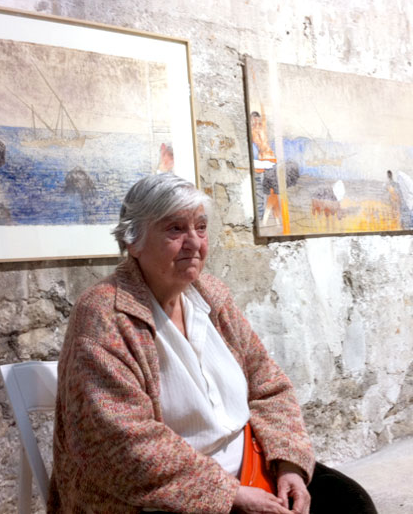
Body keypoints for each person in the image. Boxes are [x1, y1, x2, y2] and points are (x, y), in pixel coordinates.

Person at [48, 173, 376, 513]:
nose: (194, 242)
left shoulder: (211, 296)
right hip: (163, 496)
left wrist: (288, 463)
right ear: (134, 241)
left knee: (350, 503)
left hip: (253, 466)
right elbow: (119, 443)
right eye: (175, 229)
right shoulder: (104, 314)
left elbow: (269, 386)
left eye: (201, 227)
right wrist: (229, 495)